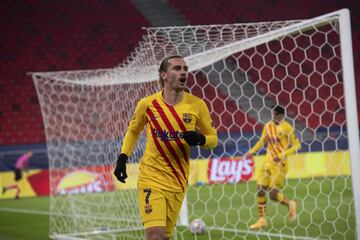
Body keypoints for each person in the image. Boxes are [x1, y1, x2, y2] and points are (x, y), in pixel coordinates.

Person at [114, 55, 218, 240]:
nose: (183, 72)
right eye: (177, 68)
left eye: (185, 68)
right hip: (151, 178)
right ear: (164, 74)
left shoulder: (196, 105)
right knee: (155, 236)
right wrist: (123, 158)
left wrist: (200, 139)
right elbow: (133, 131)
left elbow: (213, 140)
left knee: (165, 237)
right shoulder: (148, 104)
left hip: (177, 181)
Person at [244, 106, 301, 229]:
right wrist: (251, 152)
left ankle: (290, 204)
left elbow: (297, 145)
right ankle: (262, 220)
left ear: (282, 115)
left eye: (276, 115)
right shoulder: (268, 126)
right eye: (273, 114)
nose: (274, 117)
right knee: (260, 190)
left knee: (273, 195)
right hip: (266, 162)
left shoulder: (287, 127)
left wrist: (282, 154)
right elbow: (262, 141)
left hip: (280, 165)